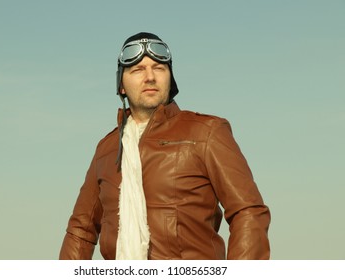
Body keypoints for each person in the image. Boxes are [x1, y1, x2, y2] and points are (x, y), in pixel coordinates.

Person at [59, 32, 270, 260]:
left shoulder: (206, 131)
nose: (150, 77)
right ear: (121, 85)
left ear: (170, 79)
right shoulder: (106, 149)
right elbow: (81, 230)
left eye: (159, 68)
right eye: (138, 70)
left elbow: (248, 212)